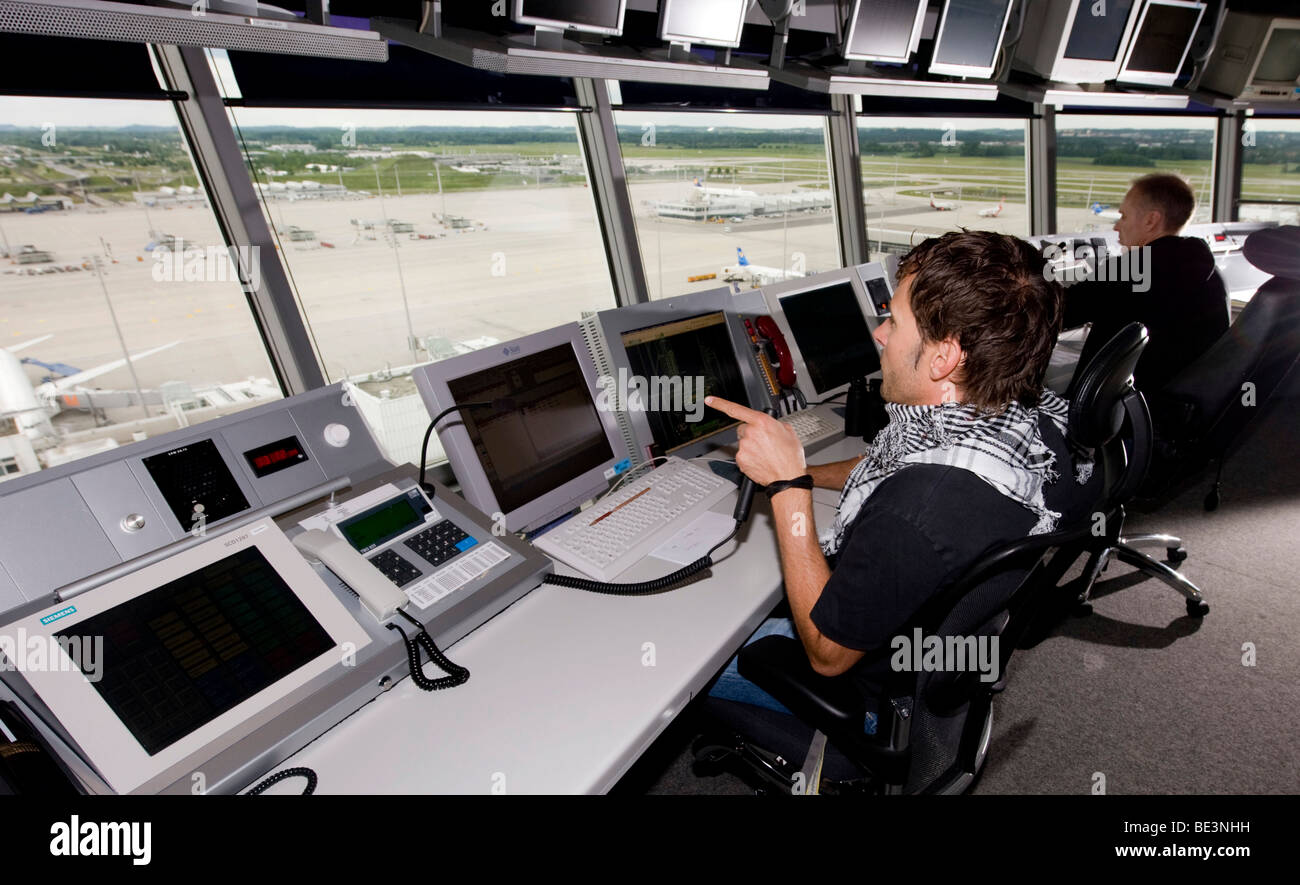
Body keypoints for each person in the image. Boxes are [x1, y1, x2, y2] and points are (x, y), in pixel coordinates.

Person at [703, 230, 1101, 729]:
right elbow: (894, 464)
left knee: (691, 659)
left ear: (944, 358)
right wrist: (800, 471)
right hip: (926, 653)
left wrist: (787, 491)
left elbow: (828, 654)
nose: (880, 333)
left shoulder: (918, 510)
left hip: (870, 691)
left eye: (894, 320)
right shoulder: (1032, 423)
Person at [1065, 173, 1229, 397]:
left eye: (1123, 216)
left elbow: (1058, 312)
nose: (1116, 227)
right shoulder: (1210, 273)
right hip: (1180, 406)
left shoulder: (1131, 269)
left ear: (1151, 220)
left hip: (1117, 414)